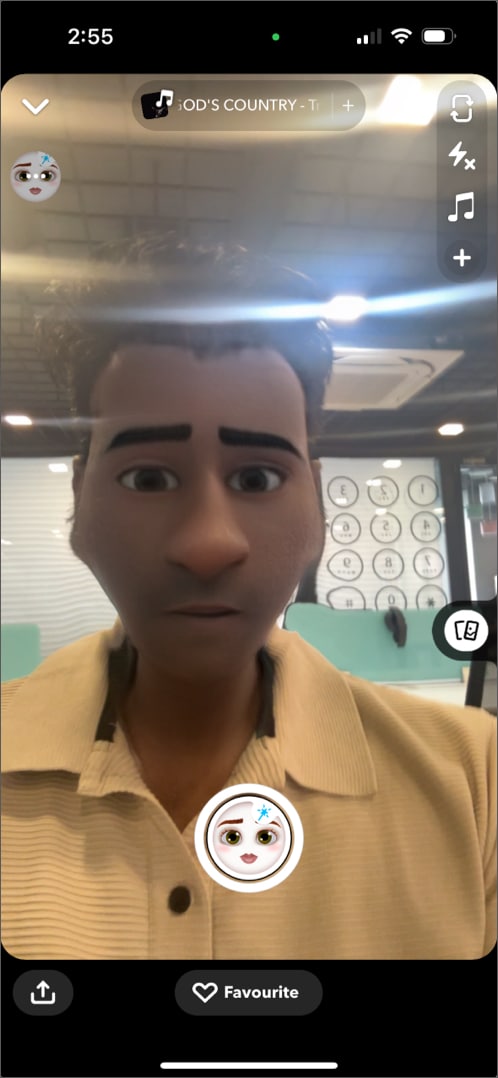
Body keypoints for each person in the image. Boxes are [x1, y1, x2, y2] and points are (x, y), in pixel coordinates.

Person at [2, 234, 496, 960]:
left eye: (257, 478)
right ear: (81, 500)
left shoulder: (475, 778)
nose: (208, 544)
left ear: (316, 504)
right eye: (148, 478)